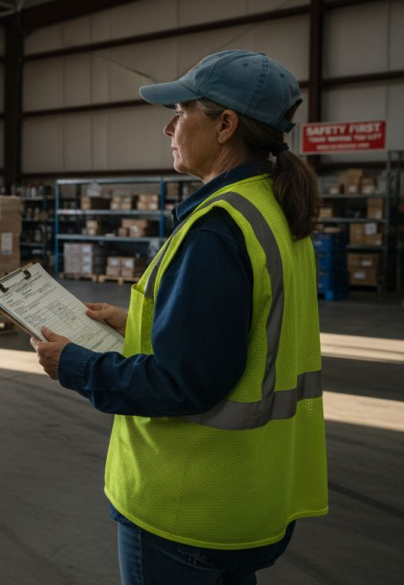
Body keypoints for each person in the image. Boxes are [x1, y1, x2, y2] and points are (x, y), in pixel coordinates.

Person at [31, 50, 327, 584]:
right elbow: (248, 329)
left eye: (182, 111)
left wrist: (74, 365)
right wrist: (141, 322)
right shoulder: (272, 210)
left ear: (225, 126)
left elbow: (181, 382)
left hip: (185, 504)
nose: (168, 126)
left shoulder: (218, 227)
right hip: (247, 497)